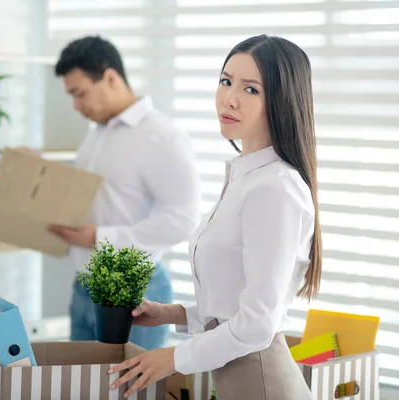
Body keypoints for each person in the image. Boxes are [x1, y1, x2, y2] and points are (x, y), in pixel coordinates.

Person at [108, 34, 323, 399]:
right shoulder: (246, 179)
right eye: (226, 81)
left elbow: (257, 324)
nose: (230, 98)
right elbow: (231, 308)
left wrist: (174, 358)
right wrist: (169, 313)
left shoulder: (274, 189)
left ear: (282, 100)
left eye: (251, 89)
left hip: (264, 385)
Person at [47, 35, 201, 351]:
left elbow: (183, 220)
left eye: (80, 94)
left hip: (135, 290)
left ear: (111, 78)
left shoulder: (162, 137)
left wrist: (98, 237)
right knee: (80, 389)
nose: (76, 106)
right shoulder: (97, 134)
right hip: (84, 285)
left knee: (131, 392)